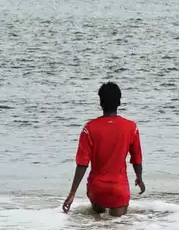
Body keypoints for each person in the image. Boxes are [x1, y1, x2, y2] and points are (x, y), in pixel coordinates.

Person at [61, 81, 144, 215]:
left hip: (97, 189)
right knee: (119, 229)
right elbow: (137, 158)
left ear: (100, 103)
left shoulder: (89, 128)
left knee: (97, 226)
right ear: (119, 102)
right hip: (119, 189)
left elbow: (82, 163)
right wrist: (139, 178)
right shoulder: (131, 127)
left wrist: (72, 194)